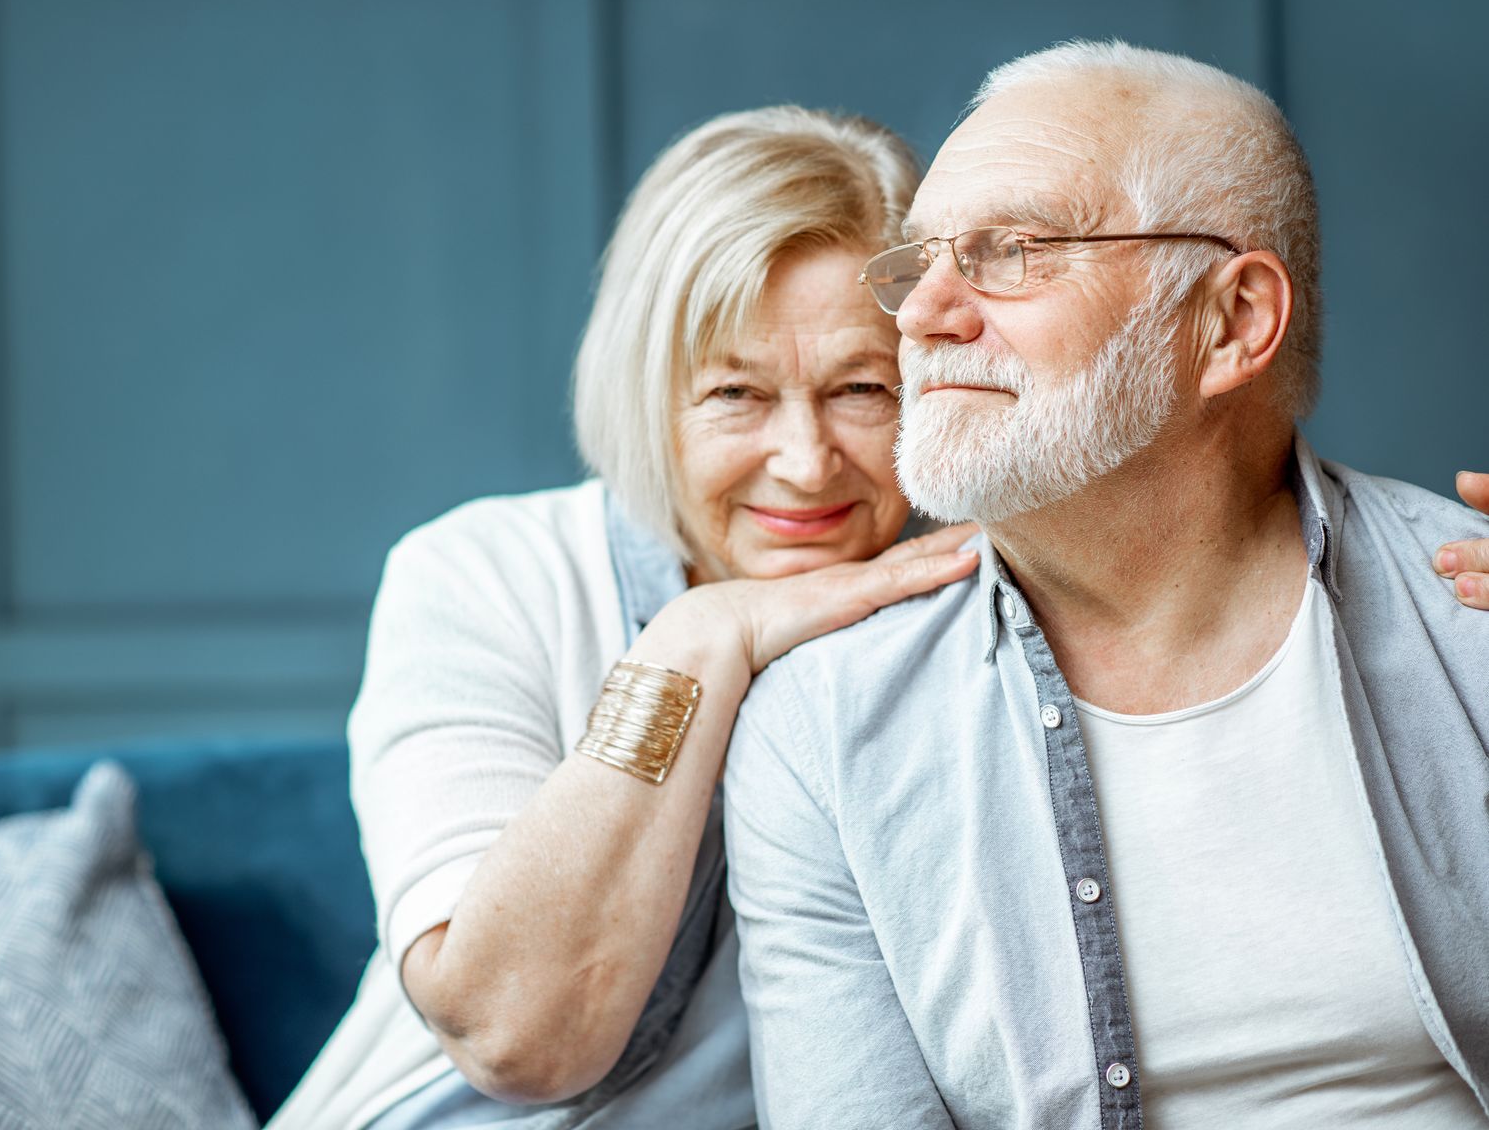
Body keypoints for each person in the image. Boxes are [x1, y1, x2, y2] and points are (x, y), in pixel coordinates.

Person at [722, 41, 1489, 1129]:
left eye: (1011, 251)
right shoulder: (825, 727)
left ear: (1229, 323)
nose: (920, 314)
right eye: (918, 262)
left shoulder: (1472, 617)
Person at [271, 106, 981, 1130]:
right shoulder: (482, 575)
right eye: (736, 393)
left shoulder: (980, 600)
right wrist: (701, 644)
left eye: (860, 389)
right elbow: (513, 1034)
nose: (805, 461)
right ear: (648, 392)